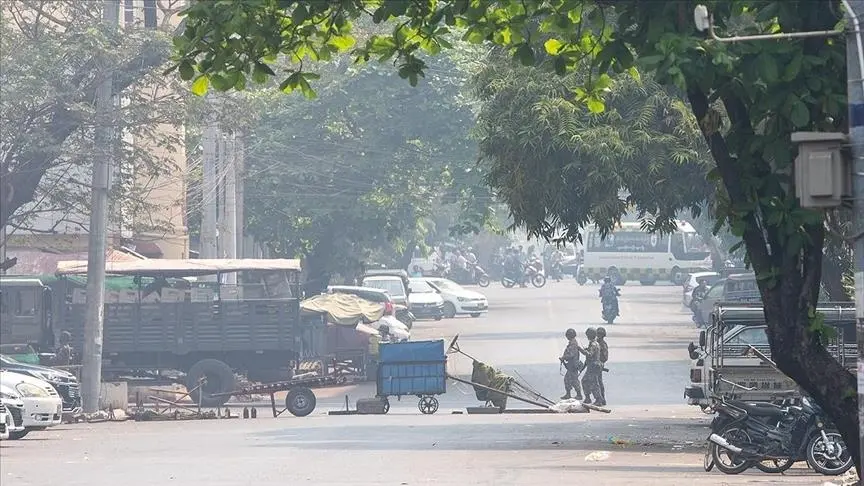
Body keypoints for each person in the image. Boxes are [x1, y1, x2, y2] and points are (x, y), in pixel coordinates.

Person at [578, 327, 603, 405]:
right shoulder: (595, 343)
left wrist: (581, 350)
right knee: (585, 381)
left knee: (593, 383)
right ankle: (588, 398)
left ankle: (598, 399)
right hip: (592, 366)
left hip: (593, 366)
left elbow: (589, 354)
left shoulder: (593, 344)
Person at [559, 328, 584, 400]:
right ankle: (569, 394)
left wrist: (563, 358)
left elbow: (571, 355)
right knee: (569, 380)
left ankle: (578, 394)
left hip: (573, 366)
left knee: (573, 380)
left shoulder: (573, 344)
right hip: (571, 365)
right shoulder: (572, 343)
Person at [596, 327, 609, 405]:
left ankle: (601, 399)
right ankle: (601, 399)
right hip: (596, 364)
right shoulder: (597, 342)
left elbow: (604, 357)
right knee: (598, 382)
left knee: (597, 382)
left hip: (598, 365)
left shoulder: (602, 344)